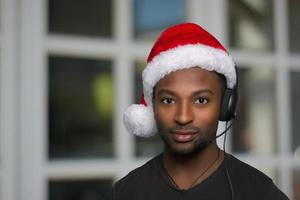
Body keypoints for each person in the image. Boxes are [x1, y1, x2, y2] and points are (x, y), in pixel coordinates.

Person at [104, 23, 289, 200]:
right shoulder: (125, 193)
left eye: (201, 100)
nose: (183, 117)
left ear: (226, 105)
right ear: (153, 106)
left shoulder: (260, 193)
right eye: (168, 100)